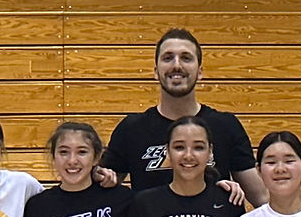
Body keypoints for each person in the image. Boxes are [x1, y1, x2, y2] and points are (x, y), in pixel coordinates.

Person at [102, 28, 263, 201]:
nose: (176, 65)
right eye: (168, 58)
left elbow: (261, 198)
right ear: (155, 71)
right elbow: (101, 188)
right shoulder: (131, 129)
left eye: (186, 58)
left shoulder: (225, 125)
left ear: (200, 72)